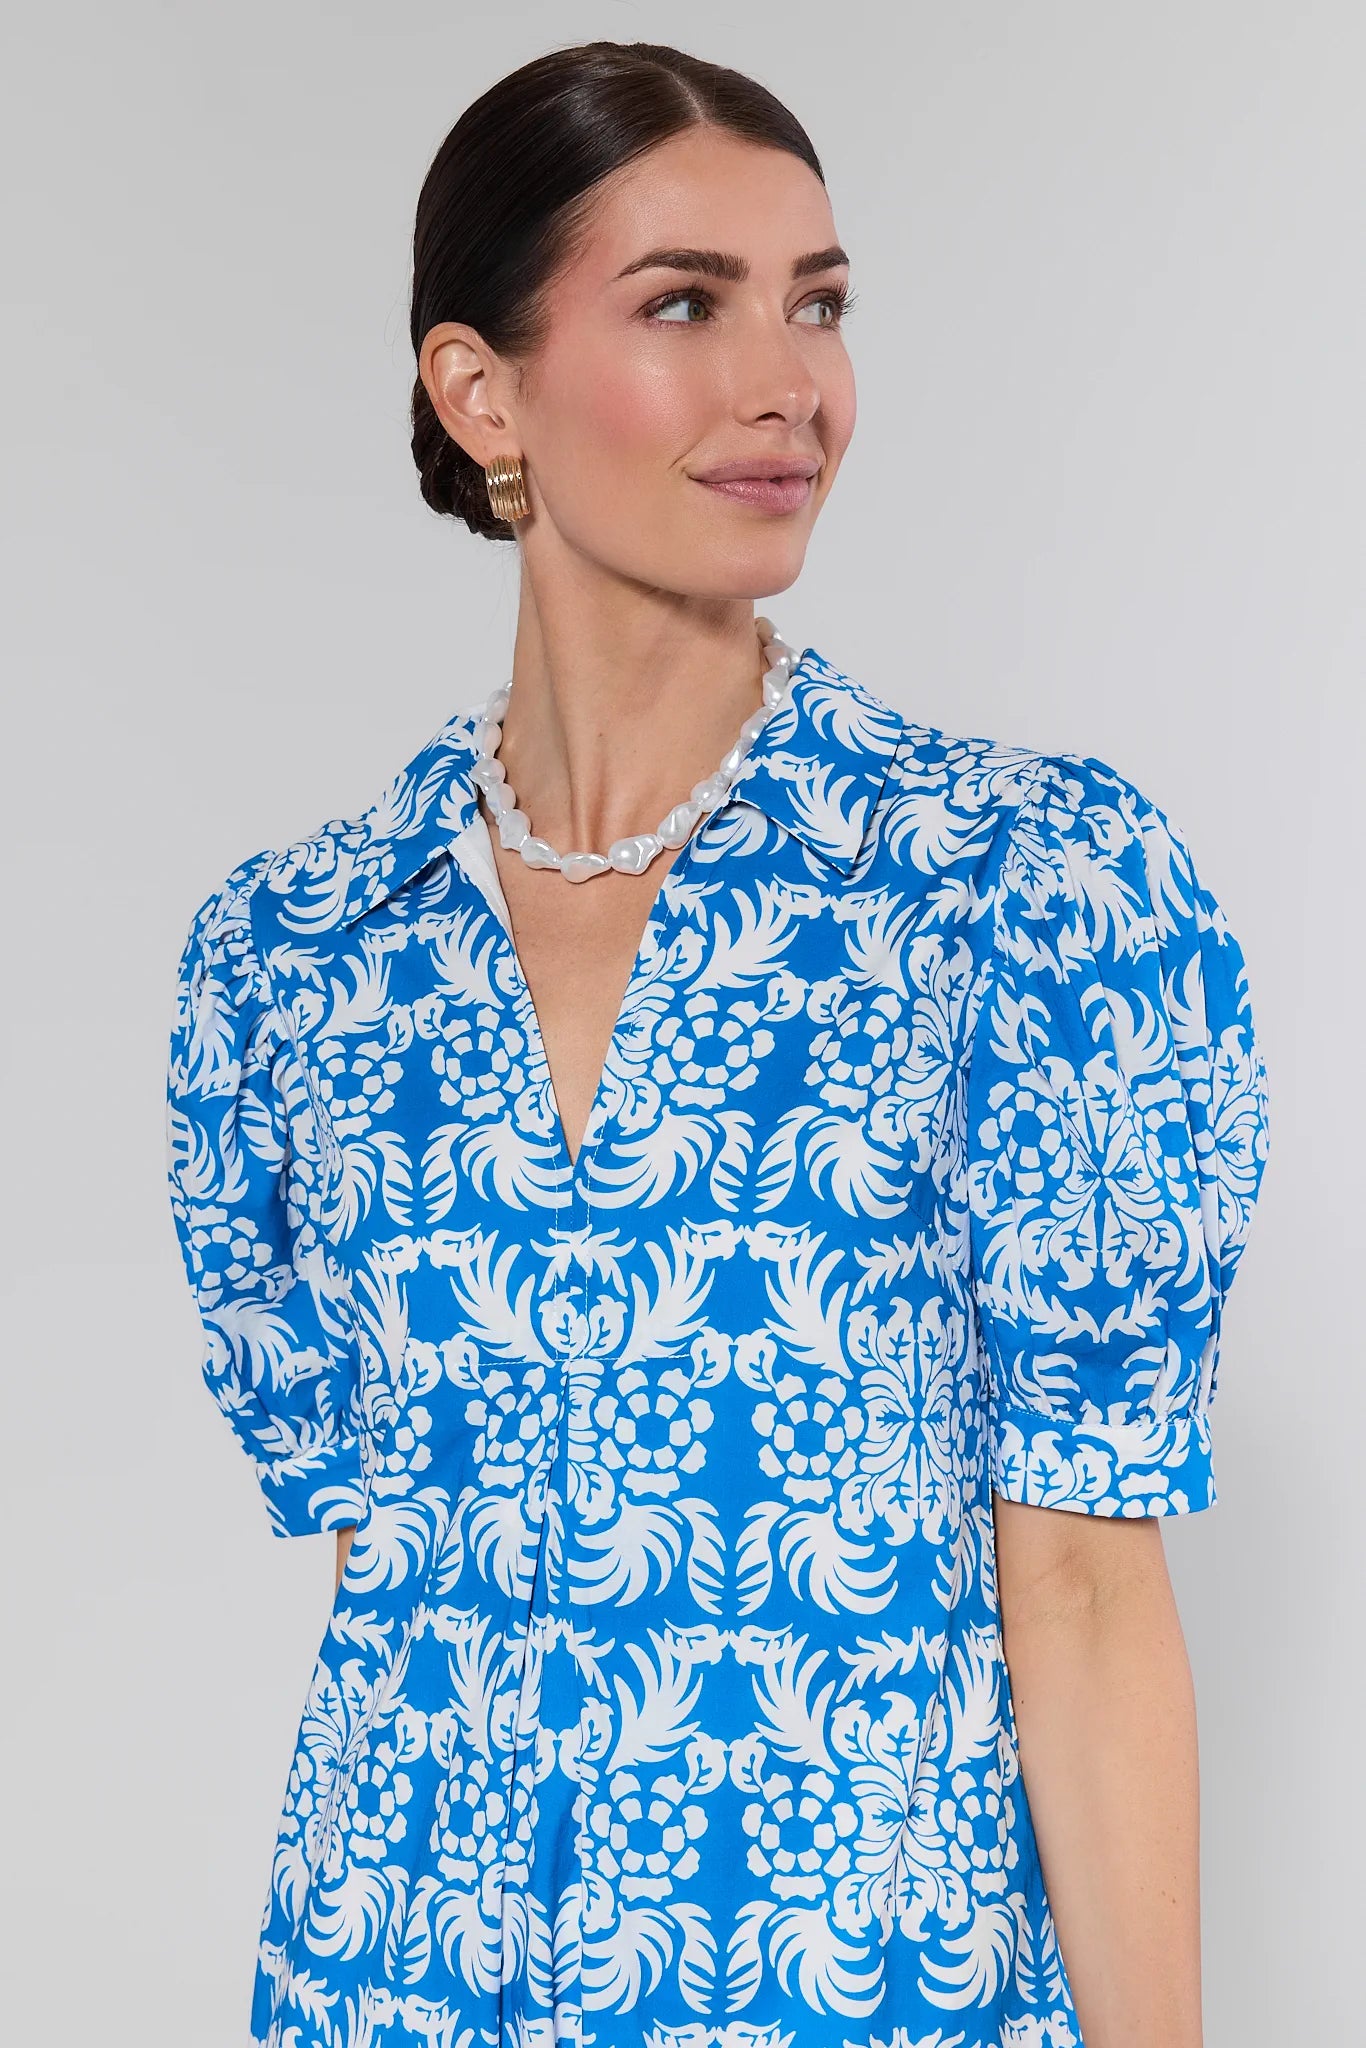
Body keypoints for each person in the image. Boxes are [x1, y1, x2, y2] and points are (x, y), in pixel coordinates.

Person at [164, 38, 1269, 2048]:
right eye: (685, 302)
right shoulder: (293, 958)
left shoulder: (1017, 890)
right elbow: (391, 1592)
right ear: (476, 389)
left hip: (860, 2000)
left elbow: (1092, 1601)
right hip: (391, 1988)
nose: (791, 383)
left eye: (818, 302)